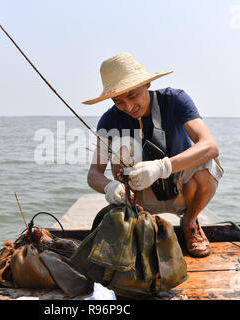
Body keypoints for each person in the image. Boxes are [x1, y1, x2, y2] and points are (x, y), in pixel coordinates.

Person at [83, 52, 224, 258]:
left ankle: (190, 222)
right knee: (121, 149)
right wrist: (110, 186)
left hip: (183, 189)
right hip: (138, 195)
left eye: (132, 95)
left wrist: (162, 167)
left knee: (207, 164)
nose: (129, 107)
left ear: (147, 84)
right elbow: (93, 173)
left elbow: (210, 146)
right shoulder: (109, 120)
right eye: (119, 101)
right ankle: (138, 225)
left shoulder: (175, 100)